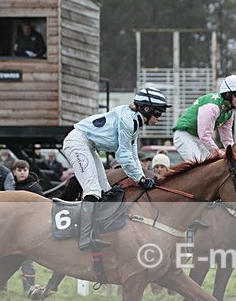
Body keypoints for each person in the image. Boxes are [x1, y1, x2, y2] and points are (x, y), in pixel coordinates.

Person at [63, 86, 169, 250]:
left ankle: (98, 231)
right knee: (93, 190)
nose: (159, 119)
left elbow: (133, 156)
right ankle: (84, 238)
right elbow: (123, 157)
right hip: (78, 142)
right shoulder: (128, 121)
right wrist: (141, 180)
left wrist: (142, 178)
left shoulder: (134, 121)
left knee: (105, 190)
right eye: (158, 113)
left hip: (88, 145)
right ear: (146, 109)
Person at [172, 74, 236, 163]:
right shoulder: (212, 107)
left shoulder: (229, 112)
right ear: (228, 94)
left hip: (199, 138)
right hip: (184, 135)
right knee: (199, 165)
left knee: (215, 164)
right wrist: (220, 153)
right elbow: (204, 136)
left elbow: (227, 139)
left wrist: (234, 155)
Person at [11, 160, 43, 292]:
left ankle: (29, 288)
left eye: (25, 170)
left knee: (27, 260)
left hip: (28, 229)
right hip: (11, 228)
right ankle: (0, 288)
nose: (22, 173)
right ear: (14, 172)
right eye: (19, 170)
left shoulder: (34, 187)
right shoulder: (10, 186)